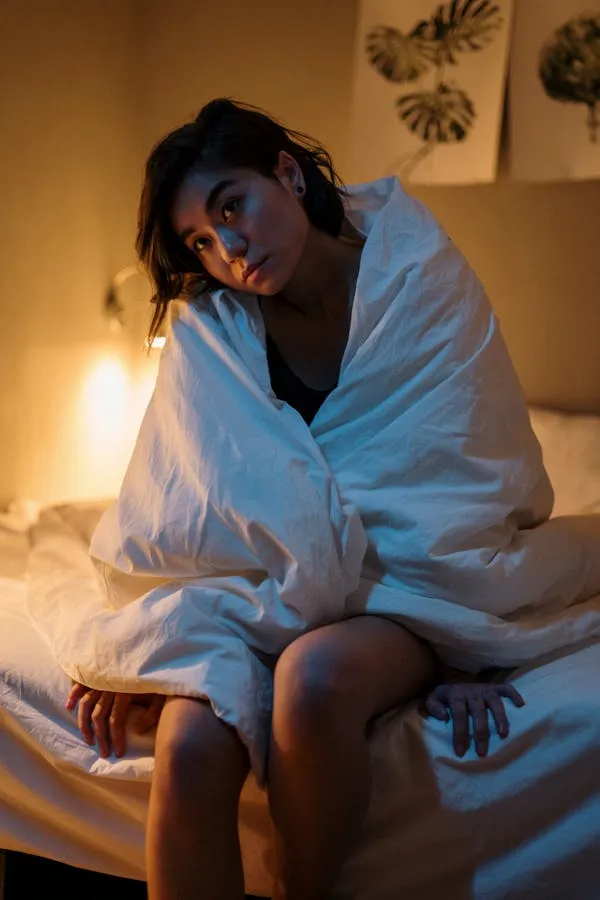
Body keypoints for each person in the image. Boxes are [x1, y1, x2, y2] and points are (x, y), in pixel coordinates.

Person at [66, 98, 525, 900]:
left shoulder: (418, 280)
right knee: (187, 748)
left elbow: (464, 475)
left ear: (286, 170)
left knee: (310, 683)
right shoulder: (212, 331)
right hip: (259, 590)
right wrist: (136, 647)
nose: (228, 249)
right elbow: (178, 512)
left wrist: (469, 645)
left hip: (406, 589)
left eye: (231, 205)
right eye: (199, 242)